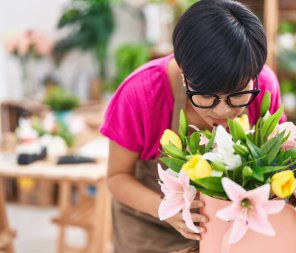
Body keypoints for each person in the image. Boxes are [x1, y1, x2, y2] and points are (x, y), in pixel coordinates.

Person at [100, 0, 286, 252]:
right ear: (183, 70)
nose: (223, 111)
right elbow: (116, 177)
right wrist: (165, 208)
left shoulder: (263, 87)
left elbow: (278, 157)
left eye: (237, 94)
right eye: (207, 95)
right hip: (151, 231)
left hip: (231, 234)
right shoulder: (141, 93)